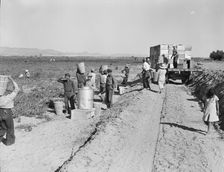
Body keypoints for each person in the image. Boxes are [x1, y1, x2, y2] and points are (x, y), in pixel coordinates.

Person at [0, 76, 20, 146]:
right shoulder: (8, 97)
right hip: (7, 112)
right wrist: (12, 79)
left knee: (2, 127)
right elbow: (16, 89)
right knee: (10, 127)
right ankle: (9, 141)